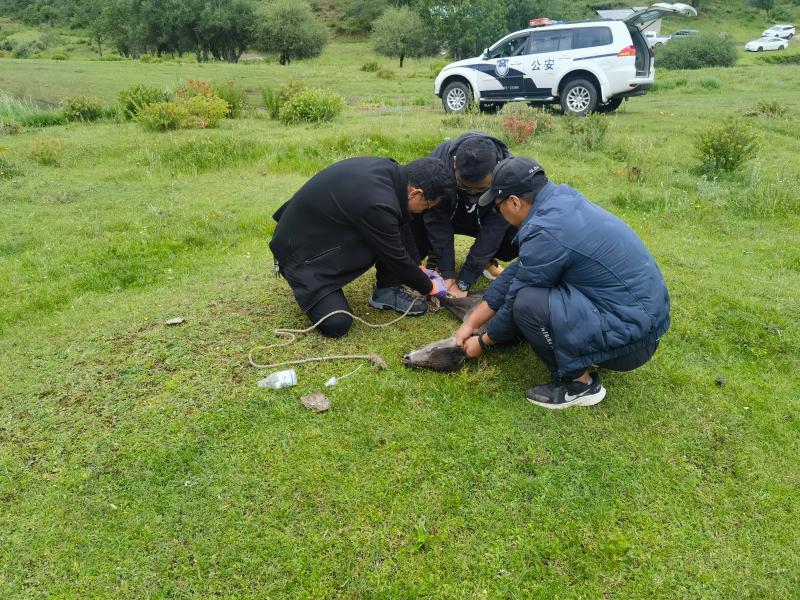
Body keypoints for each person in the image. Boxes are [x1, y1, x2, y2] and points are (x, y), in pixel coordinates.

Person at [454, 157, 671, 409]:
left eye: (497, 205)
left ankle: (578, 384)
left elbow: (516, 297)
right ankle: (582, 351)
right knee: (531, 291)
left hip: (632, 342)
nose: (498, 211)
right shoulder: (559, 201)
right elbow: (521, 271)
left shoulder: (546, 230)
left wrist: (483, 342)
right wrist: (471, 323)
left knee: (527, 303)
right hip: (641, 322)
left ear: (514, 202)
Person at [270, 156, 453, 338]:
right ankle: (308, 281)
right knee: (337, 323)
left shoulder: (392, 174)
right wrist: (429, 287)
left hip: (323, 230)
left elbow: (402, 227)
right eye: (428, 205)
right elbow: (395, 256)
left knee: (393, 229)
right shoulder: (378, 202)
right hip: (299, 251)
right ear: (415, 193)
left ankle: (386, 291)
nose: (426, 210)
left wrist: (418, 267)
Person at [411, 132, 517, 298]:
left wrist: (465, 280)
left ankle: (485, 261)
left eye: (481, 188)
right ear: (454, 166)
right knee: (418, 211)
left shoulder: (509, 173)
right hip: (449, 211)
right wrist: (448, 273)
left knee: (515, 230)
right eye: (465, 186)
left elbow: (493, 231)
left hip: (485, 216)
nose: (472, 193)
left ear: (496, 170)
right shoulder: (439, 163)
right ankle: (435, 255)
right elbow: (436, 220)